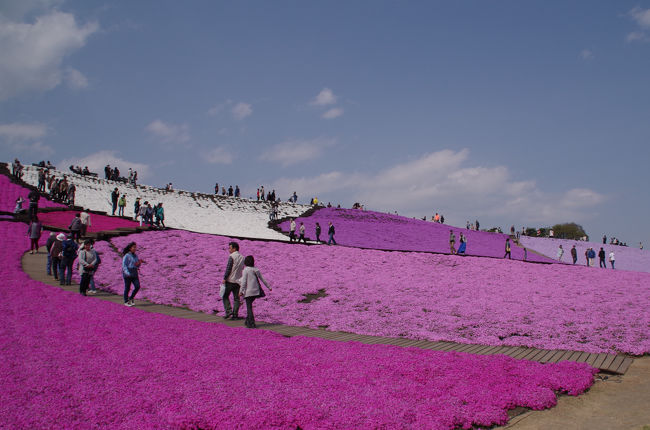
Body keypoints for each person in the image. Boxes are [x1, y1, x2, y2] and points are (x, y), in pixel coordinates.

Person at [238, 255, 272, 328]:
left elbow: (243, 282)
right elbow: (263, 279)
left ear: (245, 262)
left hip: (248, 292)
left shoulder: (246, 270)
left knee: (249, 307)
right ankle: (247, 321)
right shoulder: (256, 269)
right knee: (249, 305)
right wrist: (269, 287)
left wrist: (241, 291)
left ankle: (252, 323)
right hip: (256, 292)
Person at [221, 242, 244, 320]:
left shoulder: (232, 256)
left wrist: (224, 278)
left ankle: (228, 311)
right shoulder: (242, 257)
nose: (229, 249)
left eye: (230, 248)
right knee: (236, 299)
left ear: (234, 249)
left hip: (230, 280)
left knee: (225, 296)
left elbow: (228, 268)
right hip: (238, 281)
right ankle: (235, 315)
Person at [122, 242, 143, 306]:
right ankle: (126, 301)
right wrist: (127, 273)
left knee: (137, 286)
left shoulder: (135, 255)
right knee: (127, 288)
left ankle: (131, 298)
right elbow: (124, 265)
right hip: (128, 273)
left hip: (134, 272)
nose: (135, 248)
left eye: (135, 247)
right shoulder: (127, 256)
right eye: (133, 247)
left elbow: (136, 265)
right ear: (130, 248)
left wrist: (138, 264)